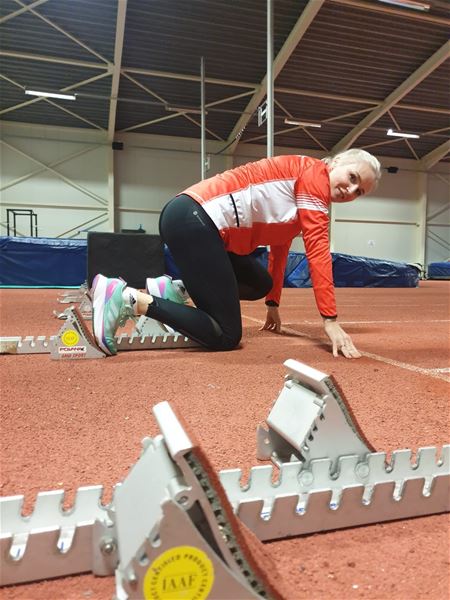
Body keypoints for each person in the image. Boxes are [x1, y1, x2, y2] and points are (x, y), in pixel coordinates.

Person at [91, 148, 381, 358]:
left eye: (359, 192)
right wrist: (329, 320)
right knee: (226, 336)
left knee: (261, 283)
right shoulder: (313, 177)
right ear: (337, 162)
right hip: (194, 220)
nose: (350, 189)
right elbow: (318, 251)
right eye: (352, 177)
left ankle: (175, 290)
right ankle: (127, 297)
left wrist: (273, 303)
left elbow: (279, 251)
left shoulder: (308, 193)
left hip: (197, 223)